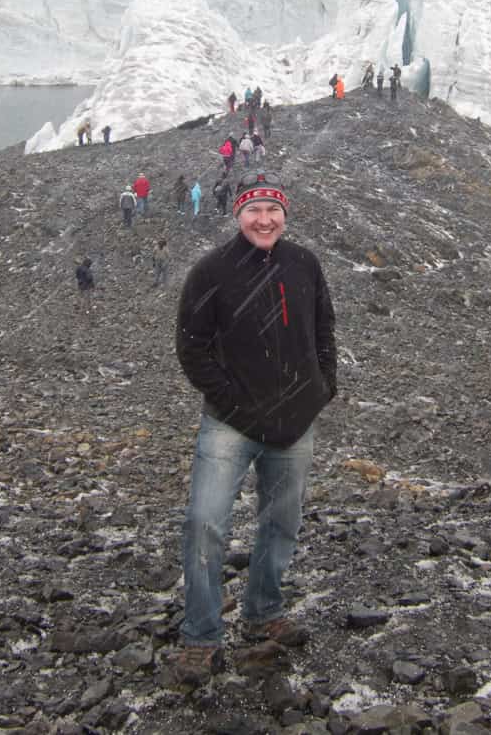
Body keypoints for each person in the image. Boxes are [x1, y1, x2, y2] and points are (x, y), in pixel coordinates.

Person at [169, 172, 338, 685]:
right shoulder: (211, 271)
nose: (263, 220)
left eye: (272, 211)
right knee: (205, 523)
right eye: (252, 211)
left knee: (280, 523)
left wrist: (321, 387)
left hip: (294, 422)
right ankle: (201, 634)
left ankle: (263, 610)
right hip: (230, 424)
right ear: (238, 214)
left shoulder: (304, 263)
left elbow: (323, 328)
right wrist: (236, 404)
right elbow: (191, 348)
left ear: (284, 215)